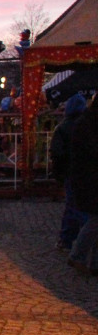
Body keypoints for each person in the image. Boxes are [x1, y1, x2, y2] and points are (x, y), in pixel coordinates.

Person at [52, 94, 89, 251]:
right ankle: (69, 239)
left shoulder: (63, 128)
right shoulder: (87, 125)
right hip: (85, 171)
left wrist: (58, 173)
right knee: (77, 206)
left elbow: (57, 153)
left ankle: (74, 241)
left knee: (74, 207)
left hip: (71, 171)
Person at [67, 97, 98, 275]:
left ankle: (93, 262)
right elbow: (91, 152)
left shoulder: (86, 122)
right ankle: (78, 254)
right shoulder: (87, 124)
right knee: (95, 220)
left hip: (87, 177)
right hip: (89, 178)